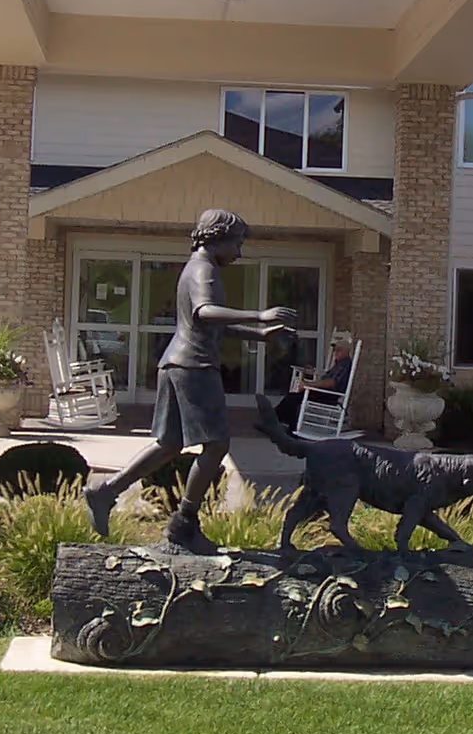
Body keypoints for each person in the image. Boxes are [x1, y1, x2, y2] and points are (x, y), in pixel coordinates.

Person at [84, 209, 296, 553]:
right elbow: (205, 312)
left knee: (169, 443)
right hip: (194, 366)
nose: (239, 253)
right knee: (217, 444)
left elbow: (214, 324)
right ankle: (184, 522)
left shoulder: (199, 266)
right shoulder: (203, 268)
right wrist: (258, 314)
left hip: (177, 362)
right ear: (218, 238)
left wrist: (261, 335)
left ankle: (106, 491)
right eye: (237, 244)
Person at [275, 331, 354, 429]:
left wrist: (309, 385)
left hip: (329, 395)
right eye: (334, 350)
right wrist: (310, 374)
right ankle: (278, 421)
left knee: (294, 398)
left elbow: (332, 382)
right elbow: (326, 377)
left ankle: (286, 425)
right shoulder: (338, 364)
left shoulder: (345, 364)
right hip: (324, 392)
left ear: (347, 351)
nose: (335, 352)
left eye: (339, 350)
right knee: (293, 397)